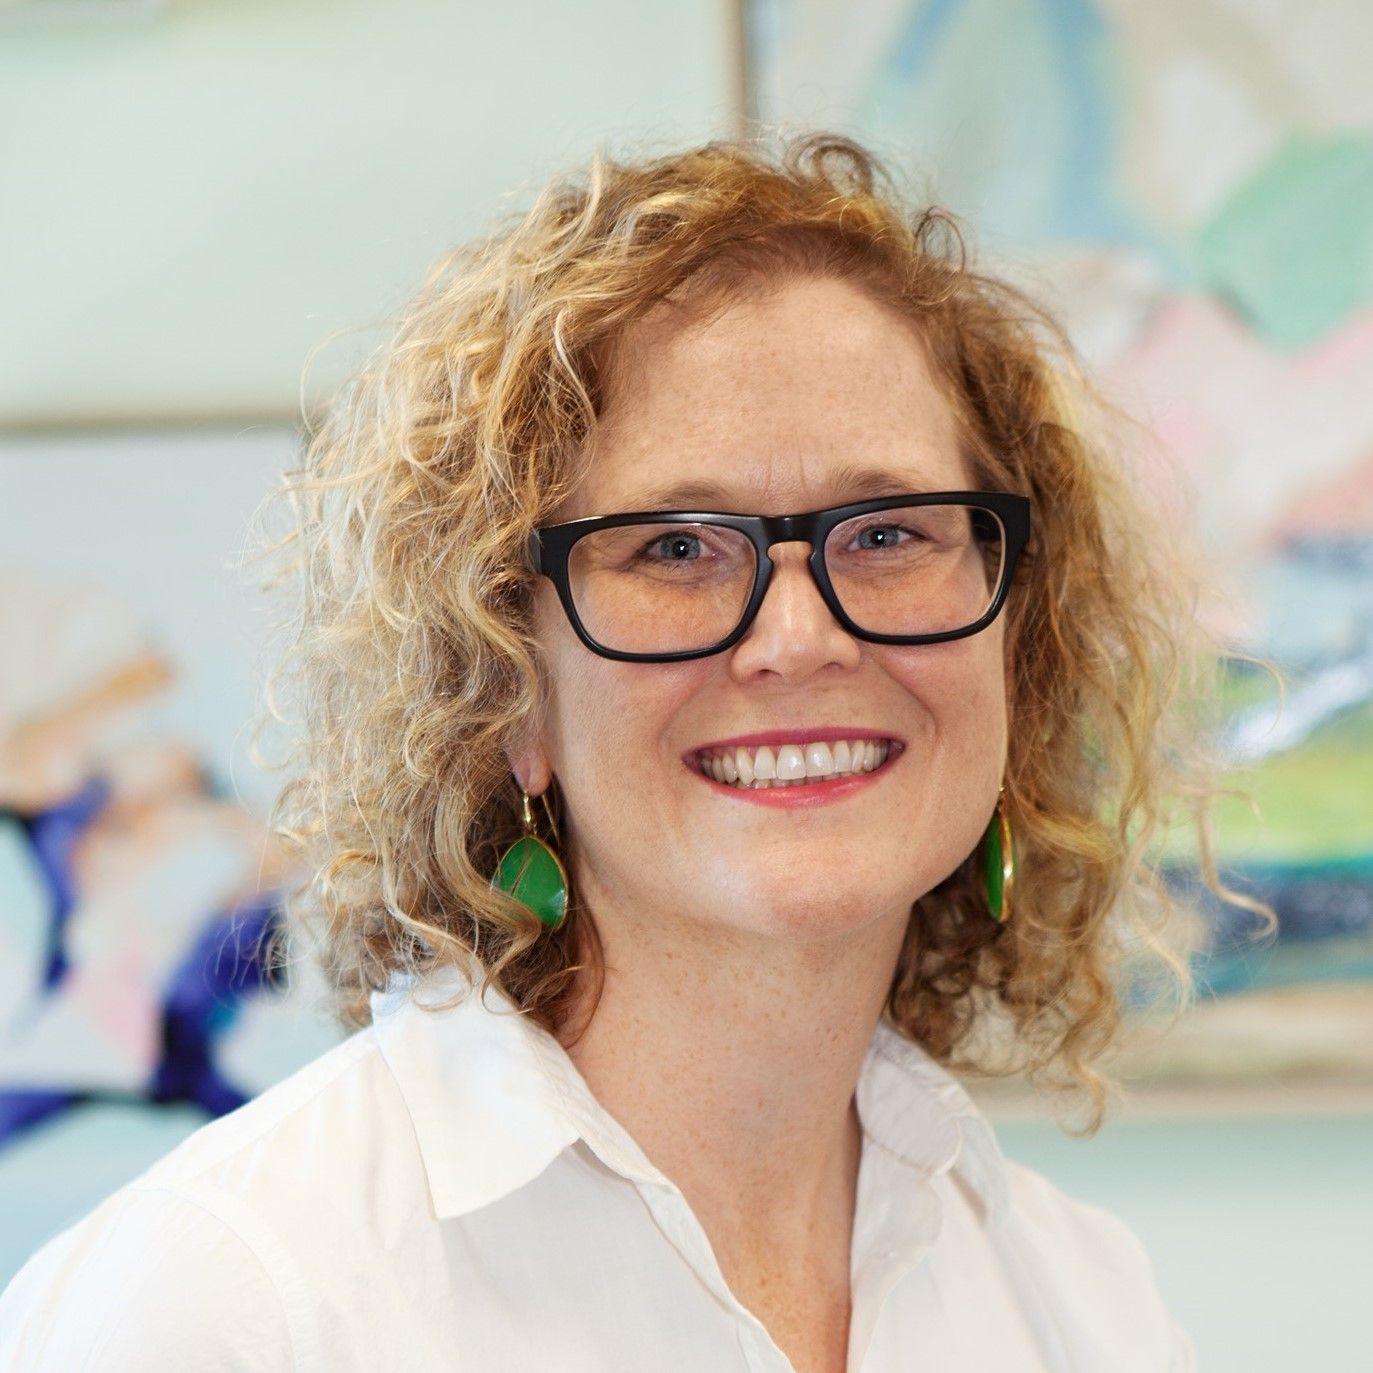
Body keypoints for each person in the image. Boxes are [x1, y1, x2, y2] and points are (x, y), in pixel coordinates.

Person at [0, 132, 1240, 1372]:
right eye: (674, 547)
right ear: (506, 689)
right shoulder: (230, 1298)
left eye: (886, 533)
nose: (797, 638)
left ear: (1014, 643)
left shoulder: (1082, 1303)